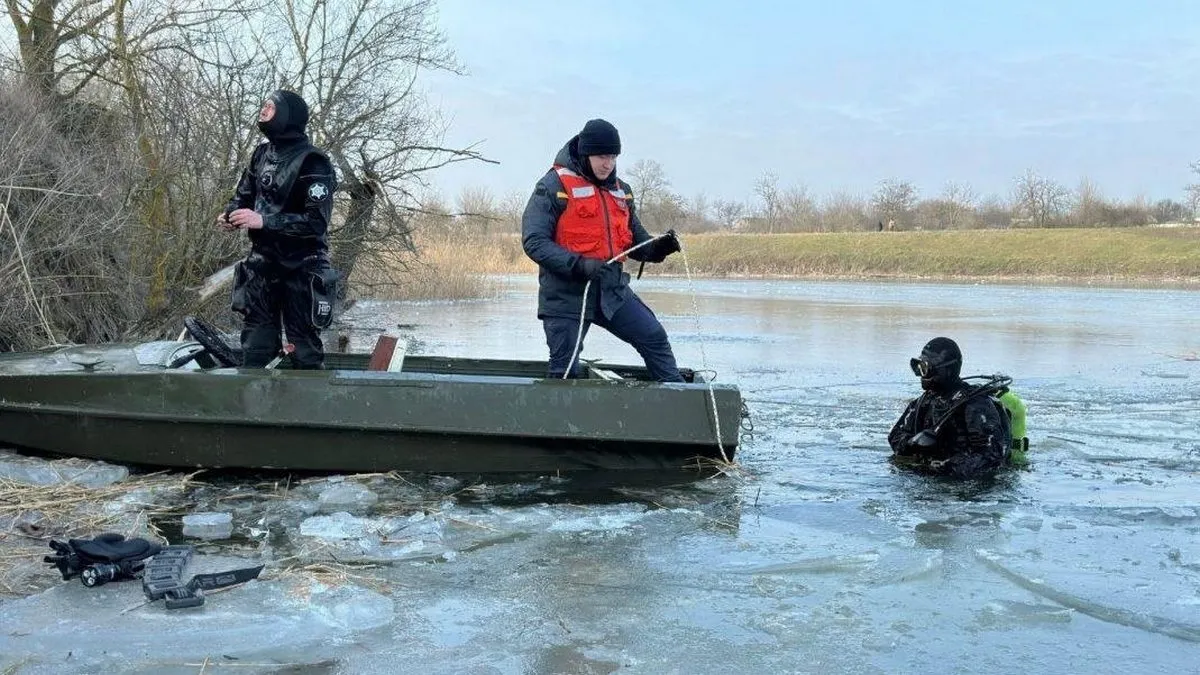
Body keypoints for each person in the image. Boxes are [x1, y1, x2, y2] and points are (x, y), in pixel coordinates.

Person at [521, 118, 684, 381]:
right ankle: (563, 407)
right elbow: (534, 241)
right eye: (601, 157)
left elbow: (635, 242)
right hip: (566, 296)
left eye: (613, 157)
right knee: (565, 371)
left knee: (654, 337)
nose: (608, 164)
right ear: (585, 153)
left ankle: (679, 397)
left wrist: (658, 248)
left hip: (612, 291)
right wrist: (579, 265)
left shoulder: (622, 191)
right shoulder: (553, 186)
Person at [218, 89, 339, 369]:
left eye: (270, 107)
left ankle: (308, 397)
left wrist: (264, 221)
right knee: (256, 346)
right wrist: (230, 216)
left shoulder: (313, 161)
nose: (263, 111)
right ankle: (254, 396)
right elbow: (243, 197)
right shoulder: (261, 154)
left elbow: (316, 223)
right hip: (262, 265)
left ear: (287, 116)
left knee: (303, 348)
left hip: (303, 267)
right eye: (264, 105)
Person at [888, 337, 1023, 478]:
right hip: (931, 477)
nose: (921, 374)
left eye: (926, 368)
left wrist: (943, 468)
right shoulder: (924, 402)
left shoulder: (976, 405)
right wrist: (911, 443)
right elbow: (894, 436)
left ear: (948, 369)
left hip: (963, 483)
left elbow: (991, 457)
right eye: (919, 368)